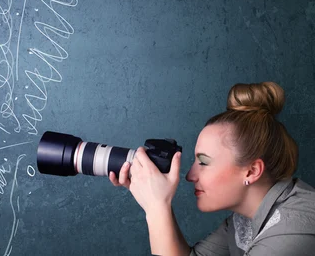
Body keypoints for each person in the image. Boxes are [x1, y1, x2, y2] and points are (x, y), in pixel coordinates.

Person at [109, 81, 315, 255]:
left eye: (204, 162)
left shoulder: (293, 228)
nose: (190, 176)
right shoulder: (244, 217)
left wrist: (157, 207)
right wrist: (155, 203)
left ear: (251, 171)